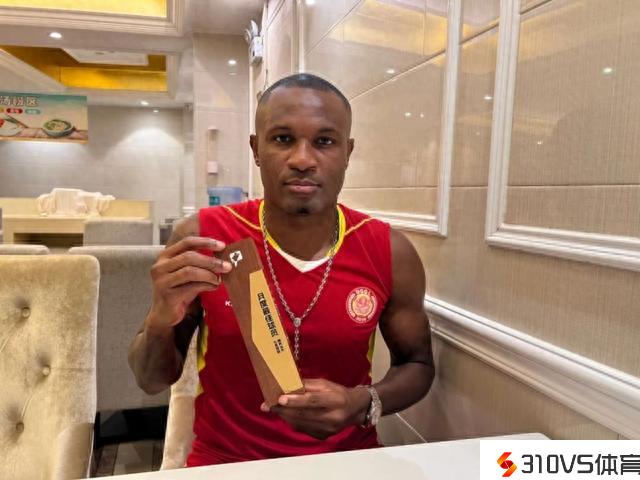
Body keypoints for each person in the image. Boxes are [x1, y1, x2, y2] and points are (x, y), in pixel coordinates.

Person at [129, 73, 435, 466]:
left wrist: (363, 402)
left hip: (347, 461)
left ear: (347, 152)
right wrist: (159, 318)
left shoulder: (389, 250)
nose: (302, 159)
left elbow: (418, 365)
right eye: (283, 138)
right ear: (256, 149)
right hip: (227, 463)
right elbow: (151, 380)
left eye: (324, 141)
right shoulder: (206, 238)